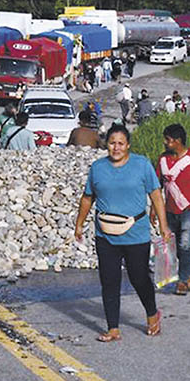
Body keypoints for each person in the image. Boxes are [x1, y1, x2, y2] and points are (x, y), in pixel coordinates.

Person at [73, 124, 171, 342]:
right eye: (112, 143)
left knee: (139, 277)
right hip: (105, 234)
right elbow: (88, 197)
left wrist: (163, 226)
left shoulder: (142, 165)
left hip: (136, 233)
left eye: (120, 143)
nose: (116, 147)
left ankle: (152, 312)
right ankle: (113, 328)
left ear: (128, 145)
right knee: (109, 280)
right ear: (106, 144)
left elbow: (156, 195)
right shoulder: (98, 167)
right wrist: (79, 224)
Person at [155, 124, 190, 295]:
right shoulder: (163, 159)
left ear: (177, 141)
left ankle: (183, 281)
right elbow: (158, 186)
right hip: (170, 209)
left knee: (185, 245)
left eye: (168, 140)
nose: (165, 143)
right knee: (172, 246)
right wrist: (154, 210)